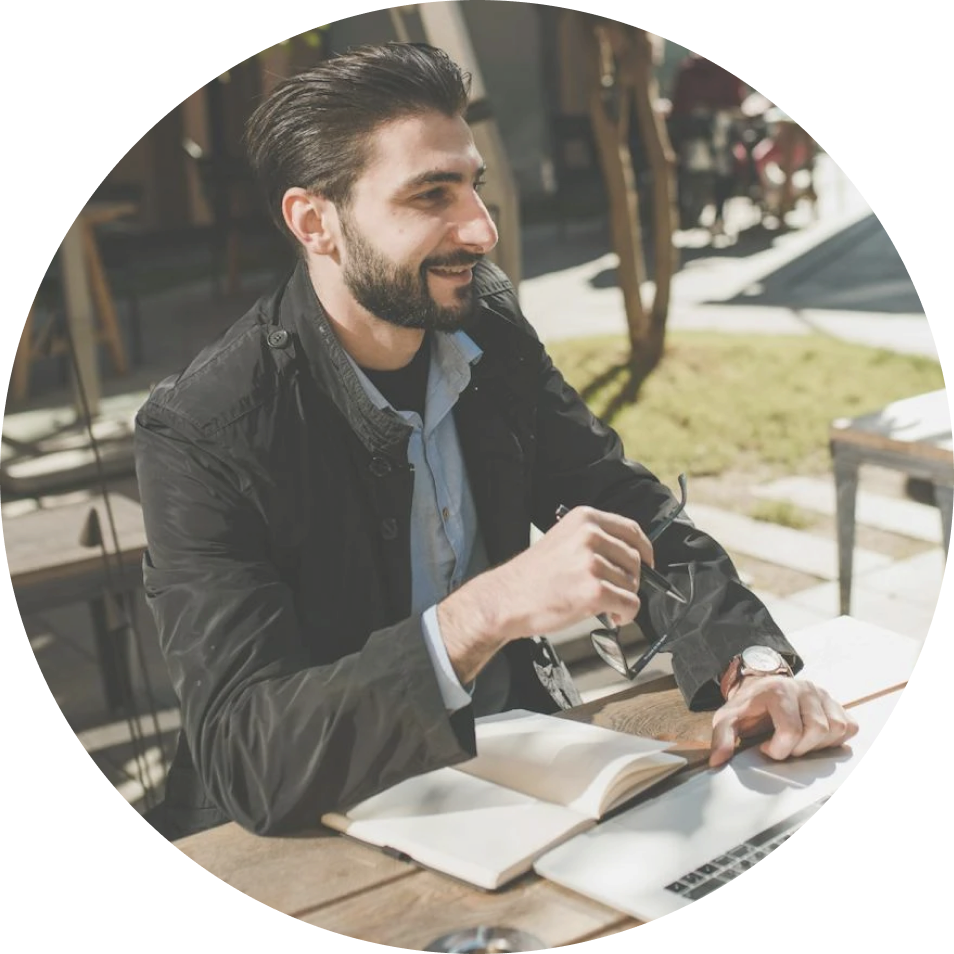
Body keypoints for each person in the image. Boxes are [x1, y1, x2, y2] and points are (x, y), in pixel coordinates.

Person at [134, 42, 858, 842]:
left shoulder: (483, 319)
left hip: (516, 779)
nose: (480, 230)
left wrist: (748, 662)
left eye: (472, 186)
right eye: (430, 194)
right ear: (316, 222)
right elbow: (249, 756)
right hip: (306, 836)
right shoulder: (202, 431)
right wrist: (485, 612)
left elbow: (622, 505)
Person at [668, 51, 748, 235]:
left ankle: (711, 215)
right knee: (726, 167)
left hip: (704, 141)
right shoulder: (689, 70)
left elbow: (677, 106)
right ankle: (713, 215)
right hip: (702, 142)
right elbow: (737, 105)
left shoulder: (689, 69)